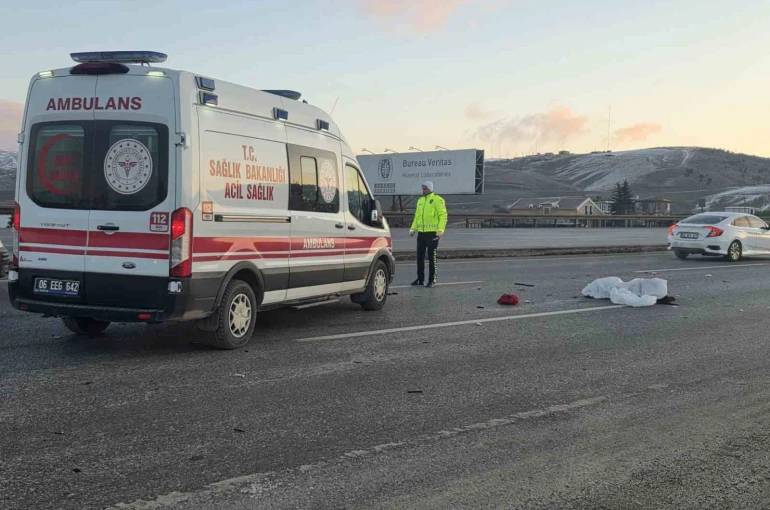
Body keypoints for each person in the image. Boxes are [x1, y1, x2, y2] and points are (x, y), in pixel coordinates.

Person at [409, 181, 448, 288]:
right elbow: (417, 217)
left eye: (425, 188)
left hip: (433, 234)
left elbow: (443, 216)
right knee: (419, 257)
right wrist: (413, 229)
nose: (423, 190)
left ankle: (432, 280)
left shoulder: (438, 200)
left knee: (432, 257)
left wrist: (440, 230)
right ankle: (420, 279)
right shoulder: (420, 201)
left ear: (430, 188)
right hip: (421, 233)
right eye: (423, 188)